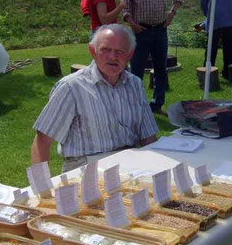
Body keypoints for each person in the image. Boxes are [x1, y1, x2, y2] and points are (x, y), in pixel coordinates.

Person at [31, 24, 158, 173]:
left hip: (130, 167)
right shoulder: (71, 87)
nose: (112, 57)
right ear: (93, 51)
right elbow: (42, 142)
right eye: (105, 49)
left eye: (120, 51)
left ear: (130, 55)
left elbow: (148, 137)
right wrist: (41, 190)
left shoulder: (135, 84)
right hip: (86, 170)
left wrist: (156, 170)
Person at [122, 0, 182, 114]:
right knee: (136, 72)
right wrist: (132, 23)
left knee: (161, 69)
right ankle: (135, 107)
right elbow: (124, 5)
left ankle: (157, 105)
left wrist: (172, 13)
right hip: (141, 31)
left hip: (161, 30)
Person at [198, 0, 232, 80]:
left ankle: (207, 73)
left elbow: (203, 1)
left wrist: (206, 15)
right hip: (231, 19)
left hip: (215, 19)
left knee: (211, 48)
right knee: (228, 48)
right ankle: (228, 73)